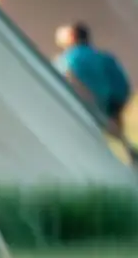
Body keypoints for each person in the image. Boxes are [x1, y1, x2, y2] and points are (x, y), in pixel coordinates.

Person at [54, 22, 138, 166]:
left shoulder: (66, 60)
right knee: (116, 133)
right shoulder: (103, 56)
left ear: (72, 37)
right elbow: (120, 82)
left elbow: (67, 80)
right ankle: (129, 151)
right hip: (111, 101)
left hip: (89, 104)